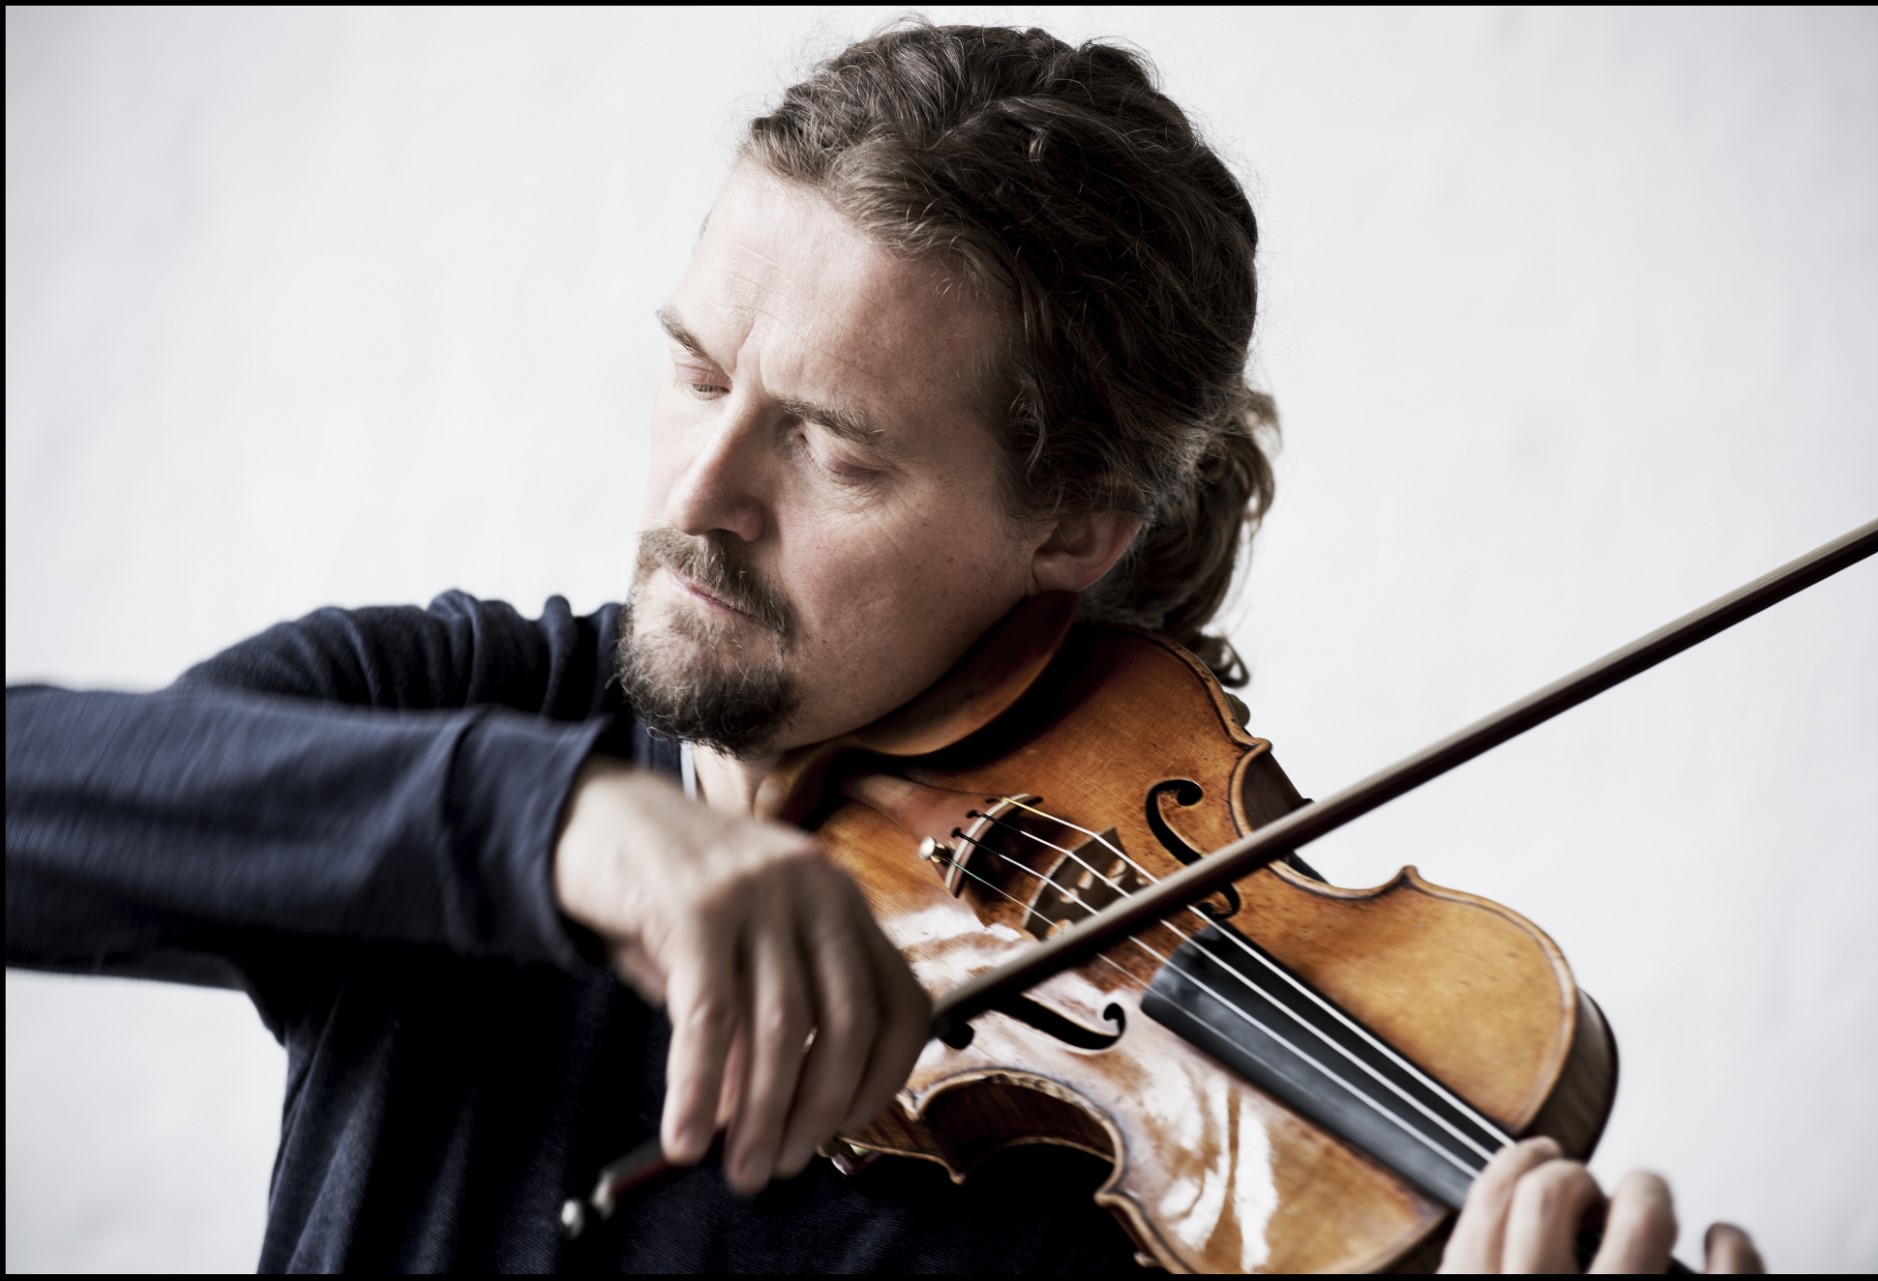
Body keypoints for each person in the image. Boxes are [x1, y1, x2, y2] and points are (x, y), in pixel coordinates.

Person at [6, 20, 1763, 1274]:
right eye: (698, 369)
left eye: (834, 449)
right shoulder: (461, 712)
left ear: (1076, 522)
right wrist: (560, 827)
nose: (697, 493)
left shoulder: (1170, 1187)